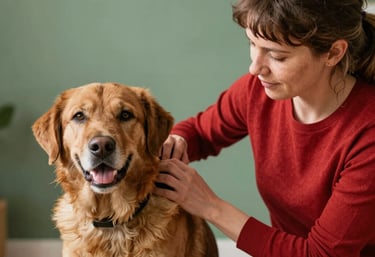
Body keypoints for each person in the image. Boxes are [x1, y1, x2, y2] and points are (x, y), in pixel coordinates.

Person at [153, 0, 375, 256]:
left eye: (277, 55)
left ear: (334, 53)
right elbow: (200, 133)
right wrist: (177, 140)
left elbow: (319, 254)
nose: (255, 68)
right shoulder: (257, 91)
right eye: (252, 44)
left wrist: (210, 206)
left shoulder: (367, 136)